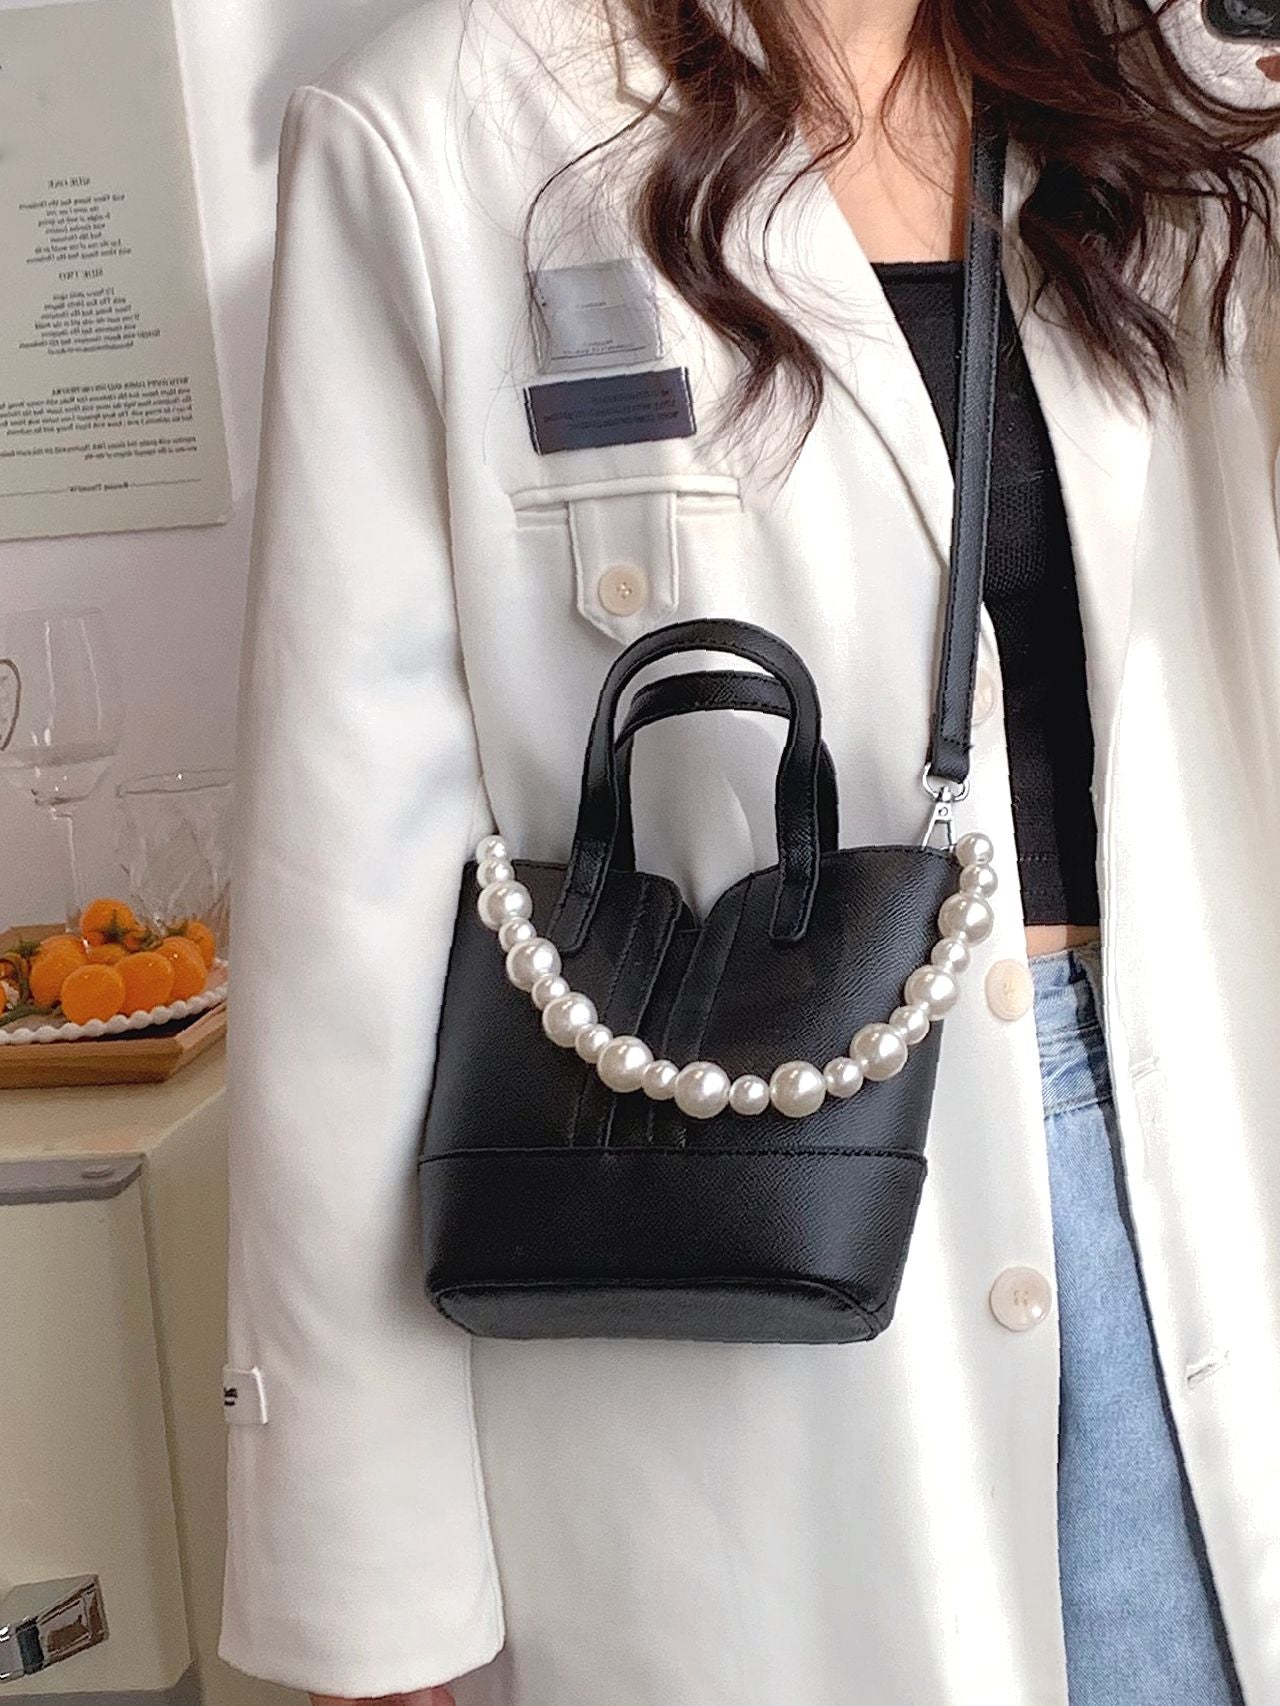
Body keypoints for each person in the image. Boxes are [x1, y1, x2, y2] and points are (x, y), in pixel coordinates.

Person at [218, 0, 1280, 1702]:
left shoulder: (1171, 96)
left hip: (1193, 1182)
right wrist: (365, 1583)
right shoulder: (438, 131)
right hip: (735, 1267)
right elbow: (343, 900)